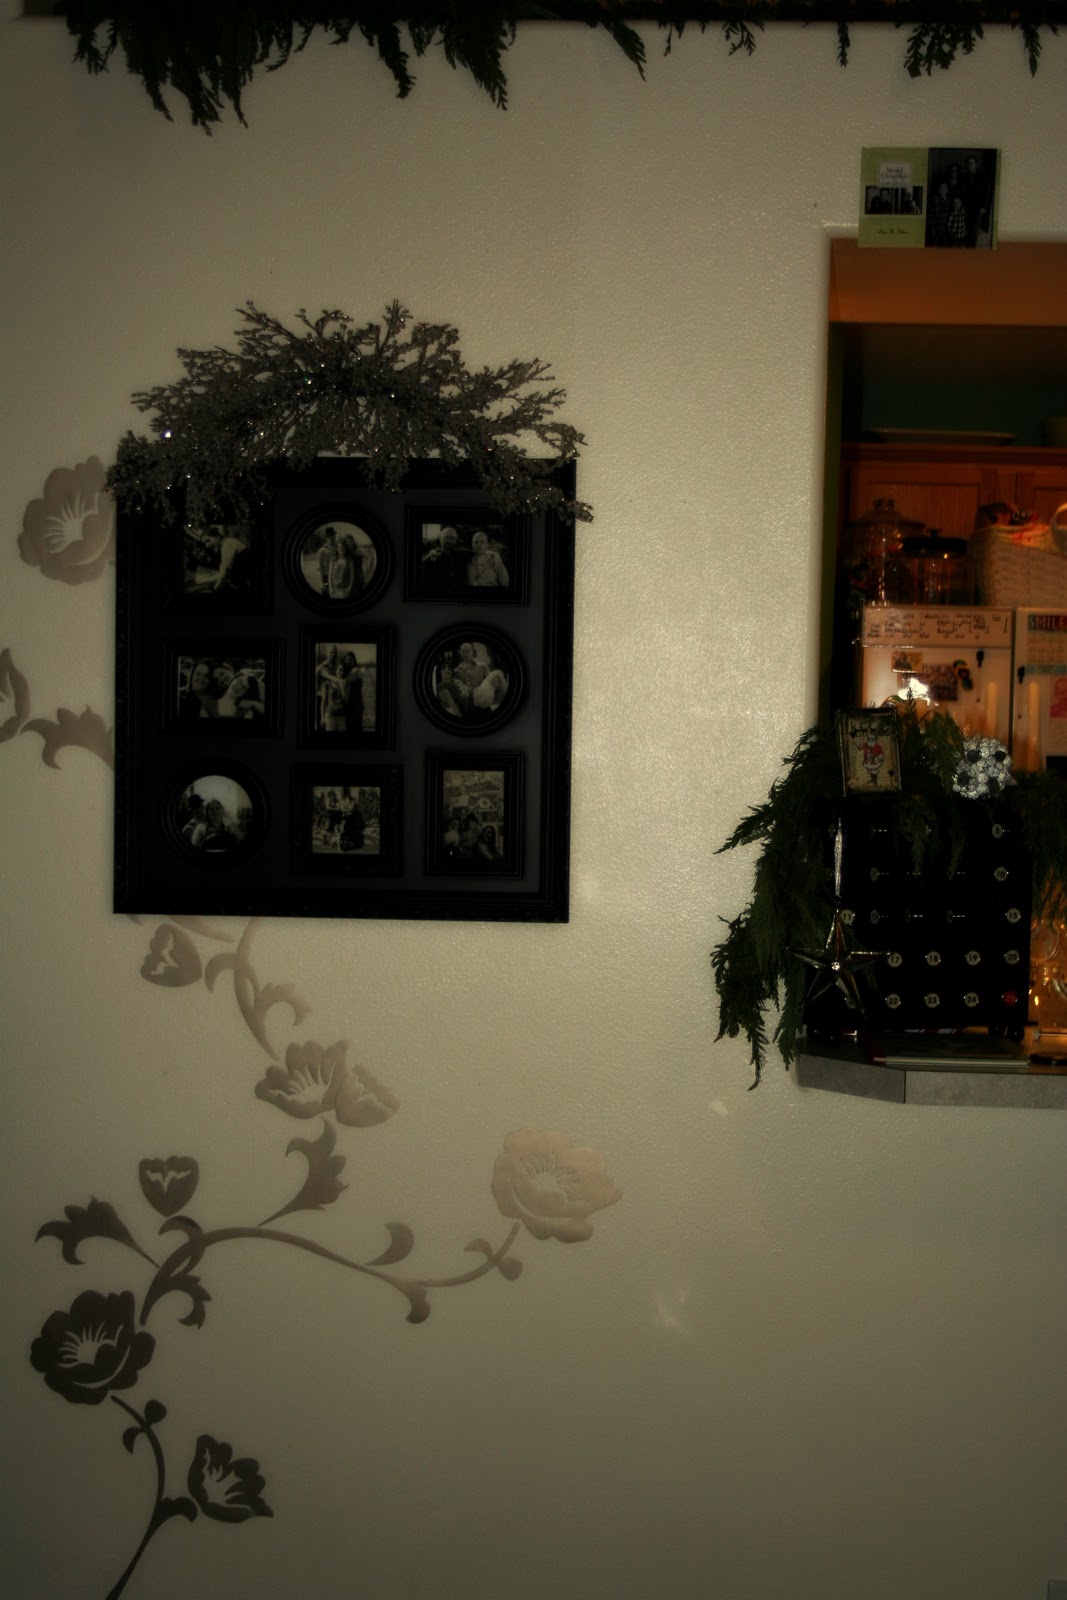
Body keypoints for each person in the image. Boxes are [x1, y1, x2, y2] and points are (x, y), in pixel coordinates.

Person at [328, 531, 363, 601]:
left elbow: (352, 576)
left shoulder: (350, 560)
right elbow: (330, 575)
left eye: (343, 547)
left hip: (345, 589)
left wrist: (349, 588)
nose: (341, 549)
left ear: (346, 549)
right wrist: (330, 588)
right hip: (334, 589)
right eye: (339, 547)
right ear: (337, 548)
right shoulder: (333, 560)